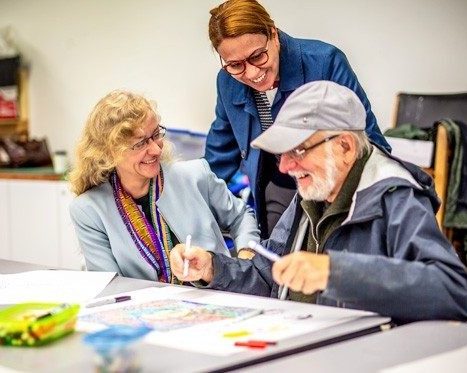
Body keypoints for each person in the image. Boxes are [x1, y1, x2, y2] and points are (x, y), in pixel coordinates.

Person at [171, 81, 467, 322]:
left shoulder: (396, 197)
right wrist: (212, 268)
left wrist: (334, 272)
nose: (285, 167)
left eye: (298, 151)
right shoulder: (310, 193)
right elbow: (266, 275)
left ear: (345, 147)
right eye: (281, 154)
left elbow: (452, 289)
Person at [204, 0, 390, 239]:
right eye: (235, 65)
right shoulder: (228, 82)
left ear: (273, 34)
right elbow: (219, 156)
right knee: (276, 265)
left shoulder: (325, 62)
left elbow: (369, 143)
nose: (251, 73)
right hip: (280, 192)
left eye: (258, 56)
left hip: (336, 191)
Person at [69, 90, 259, 282]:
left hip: (216, 297)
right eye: (140, 143)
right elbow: (108, 284)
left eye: (155, 135)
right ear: (110, 153)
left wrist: (245, 257)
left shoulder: (195, 175)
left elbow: (241, 217)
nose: (155, 148)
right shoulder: (89, 210)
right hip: (141, 308)